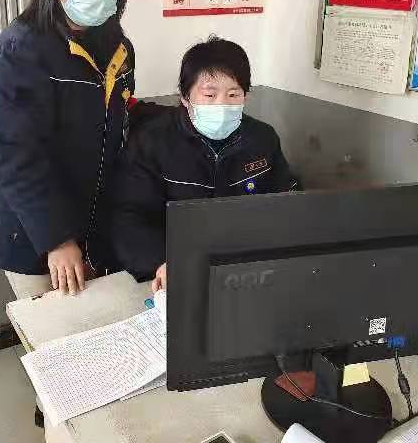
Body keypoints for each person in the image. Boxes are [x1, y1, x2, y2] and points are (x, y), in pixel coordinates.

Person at [0, 0, 137, 300]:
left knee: (99, 326)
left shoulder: (118, 48)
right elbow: (17, 156)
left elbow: (119, 118)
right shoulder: (20, 49)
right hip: (36, 234)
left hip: (96, 225)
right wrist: (57, 238)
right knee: (56, 332)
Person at [111, 36, 297, 292]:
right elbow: (129, 216)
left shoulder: (262, 139)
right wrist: (159, 262)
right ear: (185, 97)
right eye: (210, 94)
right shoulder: (151, 142)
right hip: (172, 269)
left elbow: (286, 202)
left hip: (244, 270)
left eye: (233, 94)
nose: (222, 104)